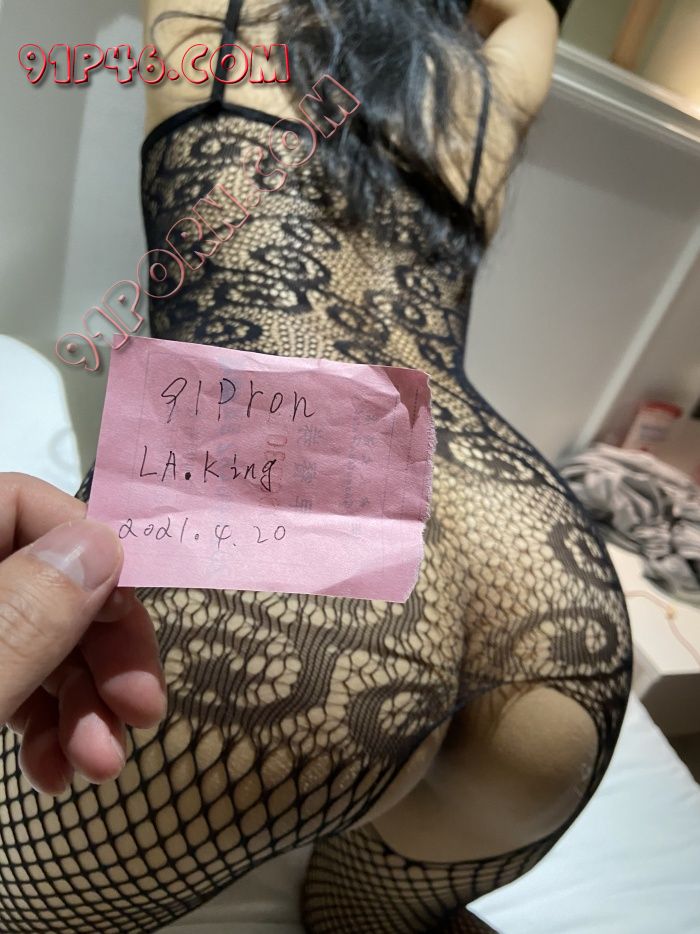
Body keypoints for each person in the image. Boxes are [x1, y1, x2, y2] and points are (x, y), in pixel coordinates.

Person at [0, 1, 632, 932]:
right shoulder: (477, 83)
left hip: (282, 475)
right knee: (358, 923)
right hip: (528, 550)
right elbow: (526, 7)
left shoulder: (225, 16)